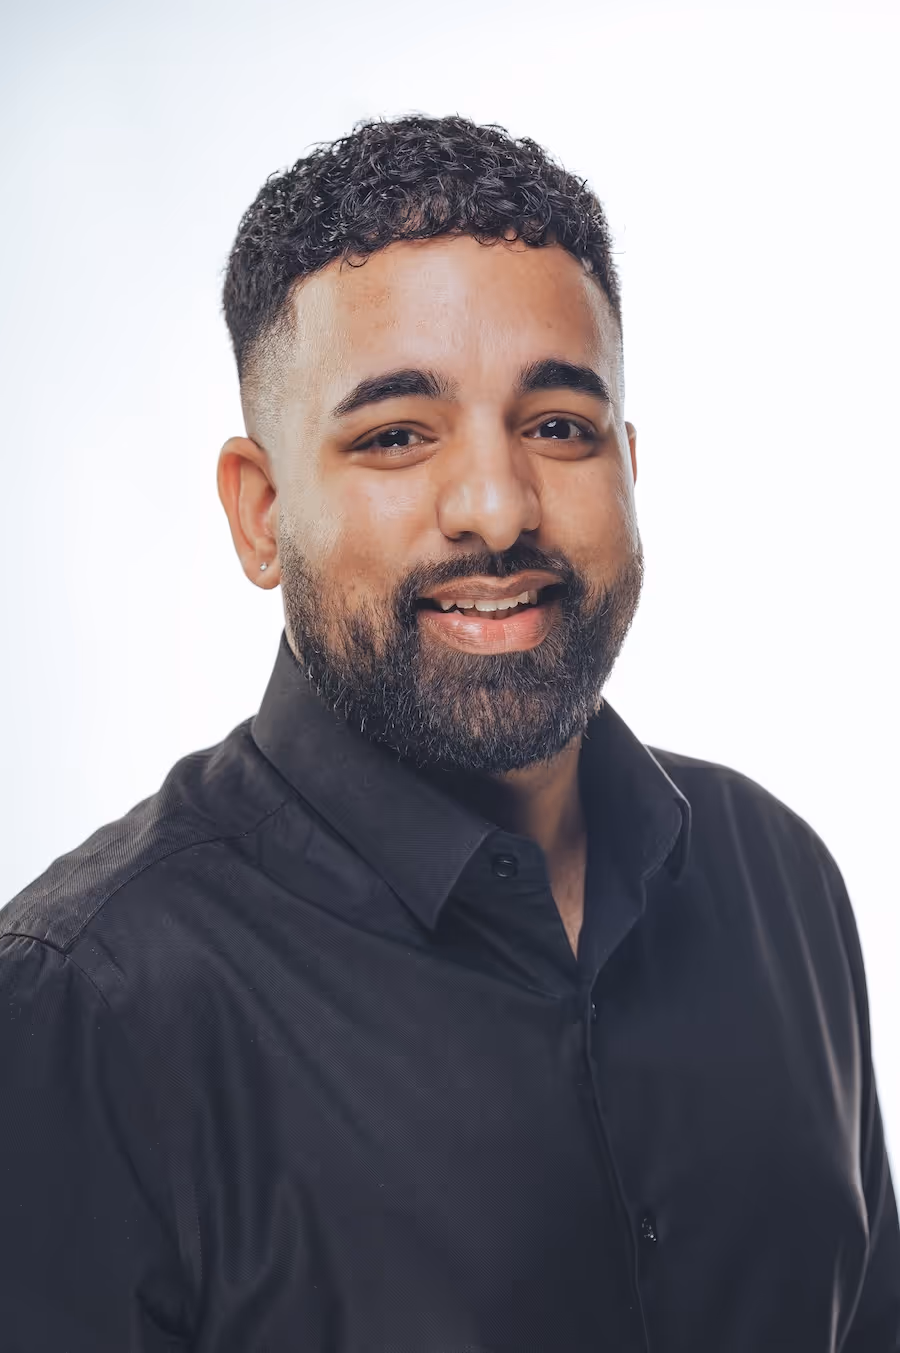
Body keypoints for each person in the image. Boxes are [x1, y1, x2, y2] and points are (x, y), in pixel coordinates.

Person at [1, 113, 896, 1353]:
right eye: (397, 436)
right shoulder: (85, 1011)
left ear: (629, 466)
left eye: (559, 425)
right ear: (261, 516)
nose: (495, 507)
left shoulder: (779, 881)